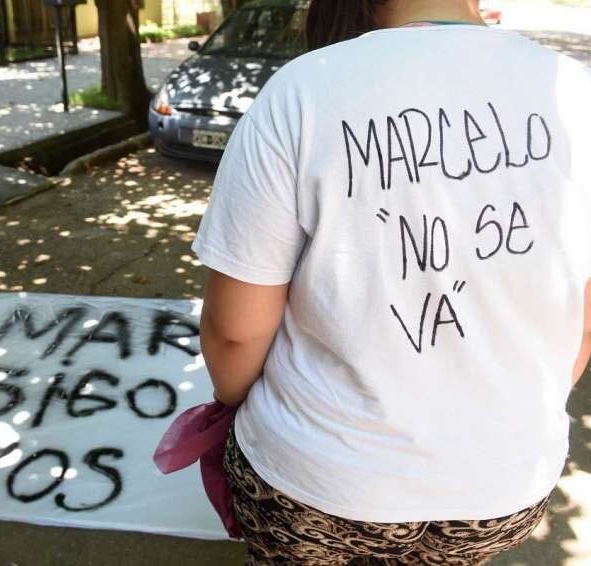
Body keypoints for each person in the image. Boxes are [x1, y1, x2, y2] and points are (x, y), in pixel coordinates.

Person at [193, 0, 591, 564]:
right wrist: (521, 409)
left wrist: (229, 405)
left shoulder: (303, 91)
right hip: (503, 484)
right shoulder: (576, 93)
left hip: (314, 479)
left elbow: (235, 332)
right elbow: (583, 321)